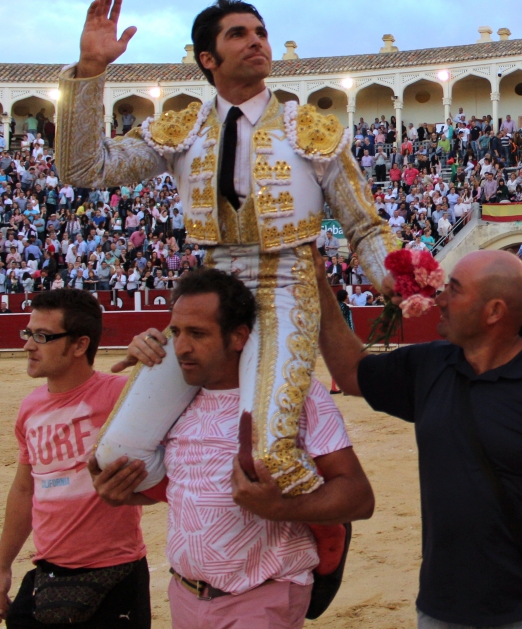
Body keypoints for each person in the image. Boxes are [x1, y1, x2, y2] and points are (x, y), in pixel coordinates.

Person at [56, 0, 396, 497]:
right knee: (112, 457)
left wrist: (398, 278)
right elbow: (84, 167)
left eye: (261, 32)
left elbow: (366, 227)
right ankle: (210, 497)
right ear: (207, 58)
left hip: (287, 283)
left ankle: (318, 551)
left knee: (270, 456)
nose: (257, 41)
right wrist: (89, 72)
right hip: (209, 290)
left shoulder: (313, 130)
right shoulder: (180, 130)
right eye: (239, 34)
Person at [315, 250, 522, 629]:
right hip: (443, 609)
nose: (439, 299)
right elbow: (351, 370)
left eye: (453, 291)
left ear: (493, 312)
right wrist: (318, 282)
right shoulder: (429, 365)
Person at [91, 268, 375, 628]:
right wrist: (121, 493)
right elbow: (187, 490)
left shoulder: (294, 396)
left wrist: (283, 507)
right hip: (185, 596)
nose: (181, 347)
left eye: (197, 334)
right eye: (176, 332)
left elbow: (359, 497)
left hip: (262, 599)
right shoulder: (177, 400)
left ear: (239, 336)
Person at [0, 289, 151, 629]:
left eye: (42, 336)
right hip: (48, 570)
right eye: (28, 333)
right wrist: (2, 568)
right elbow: (24, 490)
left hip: (115, 571)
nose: (28, 345)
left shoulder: (120, 396)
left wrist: (156, 357)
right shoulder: (29, 408)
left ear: (79, 345)